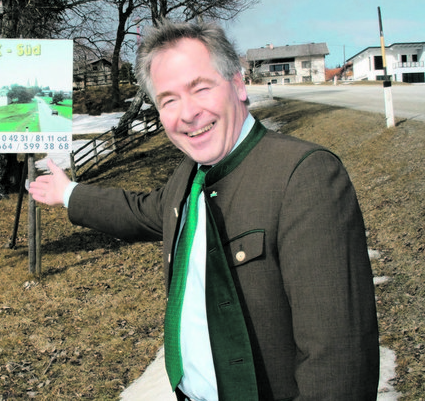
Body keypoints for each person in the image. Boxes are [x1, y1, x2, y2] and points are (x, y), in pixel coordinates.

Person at [29, 20, 379, 400]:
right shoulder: (191, 175)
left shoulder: (305, 176)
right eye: (169, 100)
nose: (187, 114)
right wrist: (69, 194)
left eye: (200, 88)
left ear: (238, 84)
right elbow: (143, 211)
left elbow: (338, 362)